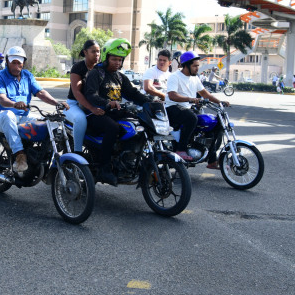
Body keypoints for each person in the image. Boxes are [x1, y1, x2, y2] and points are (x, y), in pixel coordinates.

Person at [0, 46, 67, 175]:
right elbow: (2, 99)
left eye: (19, 63)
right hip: (1, 116)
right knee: (8, 115)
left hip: (24, 116)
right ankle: (20, 156)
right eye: (13, 62)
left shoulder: (27, 75)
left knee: (47, 122)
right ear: (7, 62)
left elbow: (41, 92)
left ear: (23, 63)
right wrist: (14, 104)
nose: (16, 66)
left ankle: (41, 156)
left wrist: (57, 103)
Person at [83, 38, 150, 185]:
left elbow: (133, 93)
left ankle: (129, 158)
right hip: (96, 113)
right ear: (106, 57)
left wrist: (150, 102)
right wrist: (108, 103)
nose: (117, 63)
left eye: (120, 60)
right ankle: (104, 169)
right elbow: (91, 95)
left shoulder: (120, 76)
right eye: (114, 59)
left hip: (115, 112)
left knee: (139, 123)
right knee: (113, 128)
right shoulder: (96, 73)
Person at [166, 51, 230, 168]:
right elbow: (172, 95)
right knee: (191, 118)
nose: (197, 68)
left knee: (214, 125)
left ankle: (212, 160)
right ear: (186, 65)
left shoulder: (195, 78)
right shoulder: (174, 77)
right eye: (195, 66)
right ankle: (181, 150)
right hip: (172, 108)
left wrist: (220, 102)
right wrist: (190, 99)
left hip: (187, 108)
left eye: (198, 65)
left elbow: (206, 94)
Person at [66, 40, 101, 153]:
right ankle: (78, 153)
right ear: (85, 52)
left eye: (98, 52)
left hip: (94, 103)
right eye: (93, 51)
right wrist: (92, 109)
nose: (96, 55)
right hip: (73, 104)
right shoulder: (78, 67)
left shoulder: (100, 68)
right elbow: (77, 92)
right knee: (81, 119)